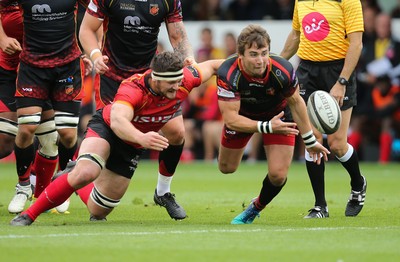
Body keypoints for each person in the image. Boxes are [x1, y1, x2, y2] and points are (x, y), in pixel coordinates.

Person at [10, 51, 224, 226]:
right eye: (172, 84)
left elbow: (215, 66)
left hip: (131, 145)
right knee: (87, 171)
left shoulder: (184, 78)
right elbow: (119, 122)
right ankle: (28, 215)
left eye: (179, 82)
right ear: (156, 79)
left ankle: (70, 177)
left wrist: (246, 67)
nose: (177, 87)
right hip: (108, 129)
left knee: (98, 211)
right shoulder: (133, 88)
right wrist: (142, 138)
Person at [79, 0, 196, 219]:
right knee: (111, 141)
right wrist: (95, 56)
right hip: (113, 79)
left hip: (151, 81)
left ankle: (163, 192)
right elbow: (86, 29)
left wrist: (187, 56)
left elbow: (178, 37)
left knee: (177, 132)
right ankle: (79, 171)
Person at [215, 24, 329, 225]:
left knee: (277, 175)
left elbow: (296, 103)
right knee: (226, 168)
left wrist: (309, 139)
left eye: (264, 53)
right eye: (253, 54)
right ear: (240, 55)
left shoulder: (283, 69)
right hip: (242, 117)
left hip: (279, 116)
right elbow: (231, 119)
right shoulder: (228, 72)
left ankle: (255, 208)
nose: (260, 60)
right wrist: (266, 126)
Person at [0, 0, 92, 213]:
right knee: (10, 137)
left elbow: (98, 13)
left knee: (57, 138)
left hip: (59, 67)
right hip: (19, 67)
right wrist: (3, 39)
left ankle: (49, 192)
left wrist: (92, 50)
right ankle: (24, 186)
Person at [280, 0, 367, 218]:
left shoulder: (348, 1)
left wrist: (342, 81)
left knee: (337, 144)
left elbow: (356, 44)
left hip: (338, 70)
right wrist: (278, 63)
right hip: (308, 71)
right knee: (312, 140)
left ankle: (358, 183)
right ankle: (320, 206)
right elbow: (296, 35)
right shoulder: (301, 1)